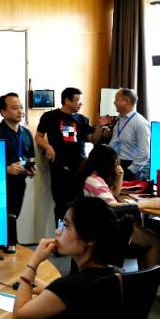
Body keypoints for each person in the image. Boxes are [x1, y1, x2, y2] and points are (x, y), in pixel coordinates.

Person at [0, 197, 132, 319]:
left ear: (89, 239)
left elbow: (20, 315)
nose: (57, 231)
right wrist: (48, 290)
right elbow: (77, 305)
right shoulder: (113, 276)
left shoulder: (69, 286)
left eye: (66, 226)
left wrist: (34, 262)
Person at [77, 145, 160, 299]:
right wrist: (146, 203)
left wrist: (120, 176)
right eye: (115, 164)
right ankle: (153, 286)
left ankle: (144, 283)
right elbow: (113, 206)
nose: (117, 167)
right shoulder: (94, 181)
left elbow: (113, 195)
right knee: (154, 240)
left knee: (144, 235)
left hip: (101, 227)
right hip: (106, 231)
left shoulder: (92, 177)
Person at [35, 87, 106, 221]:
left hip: (80, 168)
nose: (81, 103)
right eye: (78, 100)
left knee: (79, 205)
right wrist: (48, 147)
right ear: (67, 101)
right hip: (59, 167)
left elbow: (93, 140)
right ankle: (61, 233)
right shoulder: (49, 116)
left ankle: (75, 232)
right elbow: (38, 137)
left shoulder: (82, 119)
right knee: (61, 205)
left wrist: (100, 126)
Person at [0, 93, 36, 228]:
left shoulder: (27, 133)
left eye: (21, 107)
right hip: (0, 187)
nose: (20, 111)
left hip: (19, 185)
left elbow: (29, 158)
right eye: (15, 108)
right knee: (1, 224)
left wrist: (30, 169)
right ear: (3, 112)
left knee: (13, 219)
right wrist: (6, 169)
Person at [108, 87, 150, 181]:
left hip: (129, 167)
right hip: (114, 164)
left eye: (117, 99)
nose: (114, 102)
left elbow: (145, 153)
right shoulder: (119, 119)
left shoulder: (140, 122)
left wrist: (130, 171)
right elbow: (115, 141)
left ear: (127, 101)